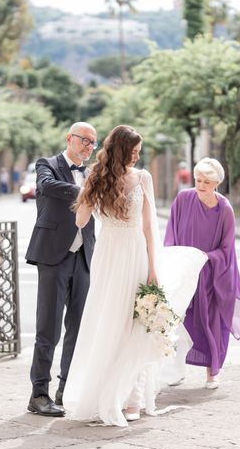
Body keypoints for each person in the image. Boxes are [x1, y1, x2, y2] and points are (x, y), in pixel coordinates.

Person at [62, 125, 205, 426]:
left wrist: (153, 268)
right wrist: (87, 188)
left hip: (131, 254)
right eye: (134, 152)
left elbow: (149, 227)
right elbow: (80, 218)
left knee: (139, 324)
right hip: (113, 256)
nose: (137, 157)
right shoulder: (97, 177)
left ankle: (133, 399)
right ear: (121, 150)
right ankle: (114, 396)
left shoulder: (140, 177)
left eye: (139, 152)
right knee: (112, 324)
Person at [25, 122, 97, 418]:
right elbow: (46, 187)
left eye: (93, 143)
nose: (88, 147)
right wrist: (85, 190)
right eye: (84, 140)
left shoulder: (92, 174)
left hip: (83, 257)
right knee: (48, 330)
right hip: (53, 257)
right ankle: (38, 394)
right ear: (69, 138)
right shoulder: (48, 165)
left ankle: (65, 390)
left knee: (78, 329)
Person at [164, 157, 240, 389]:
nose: (201, 185)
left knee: (212, 322)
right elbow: (171, 232)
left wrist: (206, 257)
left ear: (217, 184)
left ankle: (212, 373)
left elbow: (227, 248)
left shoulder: (225, 209)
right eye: (198, 180)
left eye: (207, 182)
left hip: (212, 274)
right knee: (178, 320)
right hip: (184, 270)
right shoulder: (183, 199)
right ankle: (175, 370)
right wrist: (172, 259)